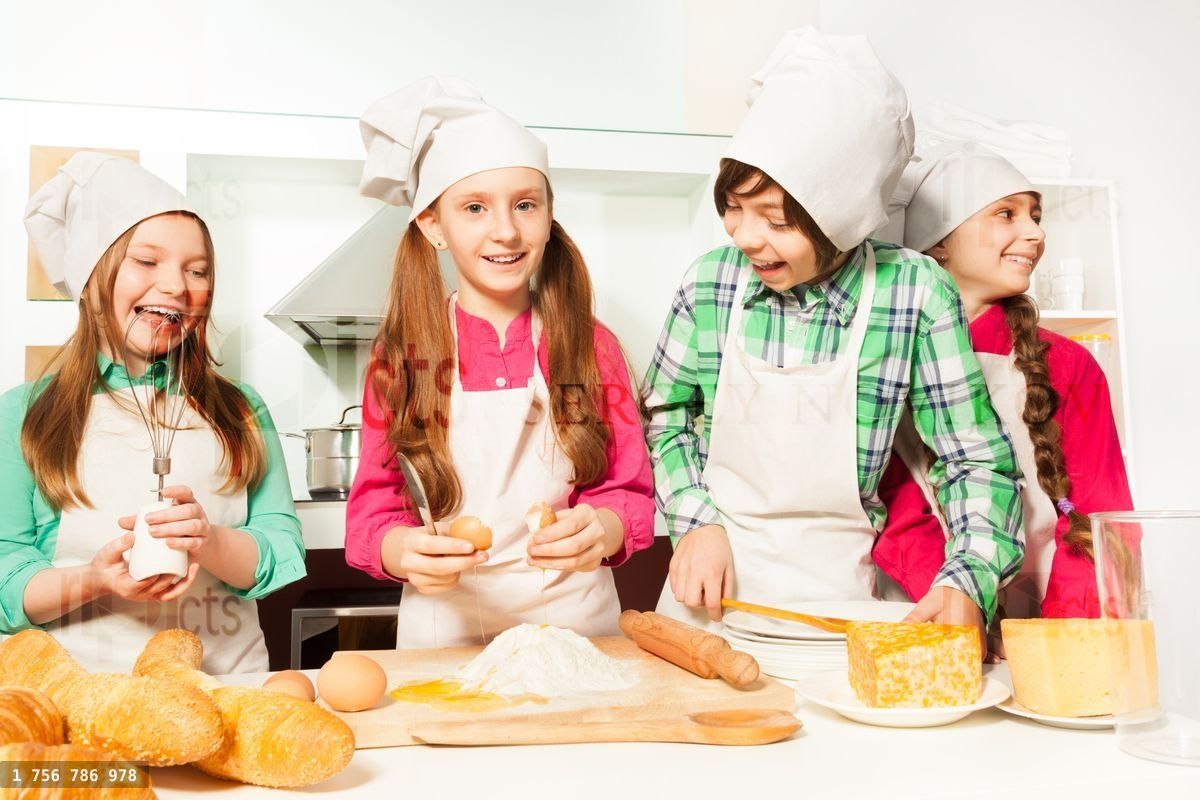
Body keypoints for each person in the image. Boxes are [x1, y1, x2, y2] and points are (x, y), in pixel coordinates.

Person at [642, 29, 1024, 646]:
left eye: (777, 220)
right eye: (734, 208)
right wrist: (692, 522)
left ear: (841, 215)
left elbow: (972, 457)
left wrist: (968, 576)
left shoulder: (914, 292)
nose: (743, 236)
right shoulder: (711, 283)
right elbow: (666, 415)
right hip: (702, 609)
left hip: (853, 611)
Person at [345, 77, 655, 647]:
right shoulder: (402, 356)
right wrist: (400, 549)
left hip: (575, 632)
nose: (506, 230)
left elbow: (626, 490)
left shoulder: (593, 346)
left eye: (525, 205)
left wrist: (604, 530)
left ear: (549, 214)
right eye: (474, 208)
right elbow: (375, 506)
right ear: (434, 226)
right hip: (444, 637)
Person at [1, 152, 305, 673]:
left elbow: (281, 552)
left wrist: (208, 542)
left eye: (198, 270)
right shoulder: (27, 413)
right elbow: (7, 578)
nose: (176, 285)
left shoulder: (241, 410)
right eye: (147, 261)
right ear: (93, 277)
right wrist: (95, 580)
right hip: (85, 698)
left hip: (228, 691)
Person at [873, 142, 1133, 620]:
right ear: (940, 242)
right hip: (924, 615)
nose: (1034, 233)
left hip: (1054, 625)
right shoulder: (882, 364)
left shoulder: (1071, 366)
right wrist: (961, 604)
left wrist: (1059, 637)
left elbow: (1103, 522)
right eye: (1007, 214)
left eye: (1036, 216)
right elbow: (897, 511)